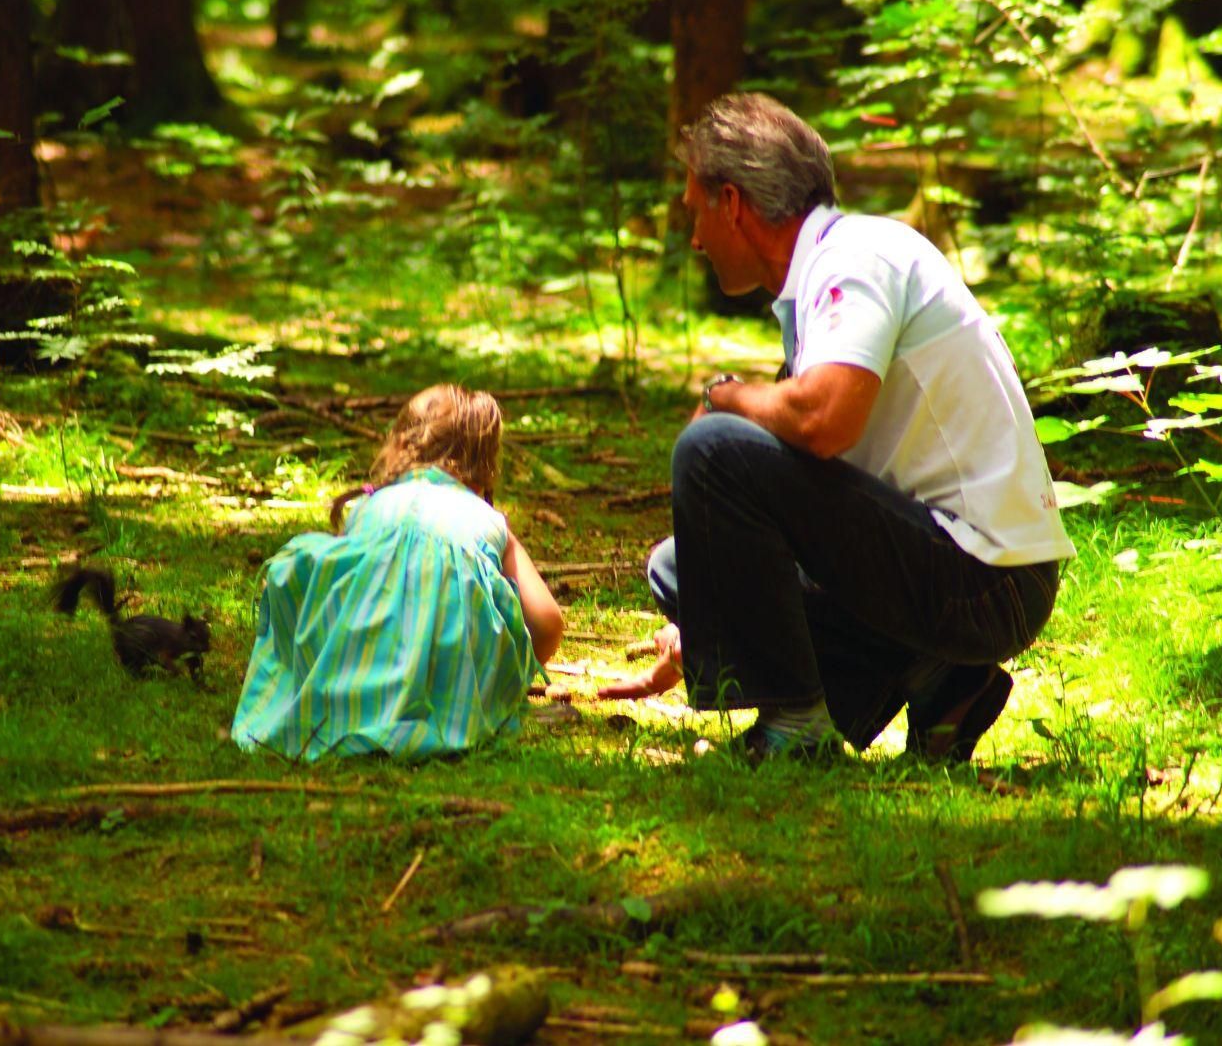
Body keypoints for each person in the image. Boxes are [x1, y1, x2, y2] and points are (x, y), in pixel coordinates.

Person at [607, 93, 1075, 762]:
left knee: (711, 451)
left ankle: (798, 723)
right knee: (682, 567)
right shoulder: (823, 279)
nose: (694, 239)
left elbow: (825, 420)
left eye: (695, 213)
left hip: (989, 578)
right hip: (947, 565)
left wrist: (726, 395)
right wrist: (715, 626)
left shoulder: (857, 257)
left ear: (732, 202)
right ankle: (942, 679)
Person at [232, 384, 564, 761]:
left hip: (353, 679)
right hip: (453, 692)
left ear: (400, 446)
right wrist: (504, 675)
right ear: (485, 464)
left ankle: (342, 696)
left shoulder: (371, 508)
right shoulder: (487, 521)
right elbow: (548, 622)